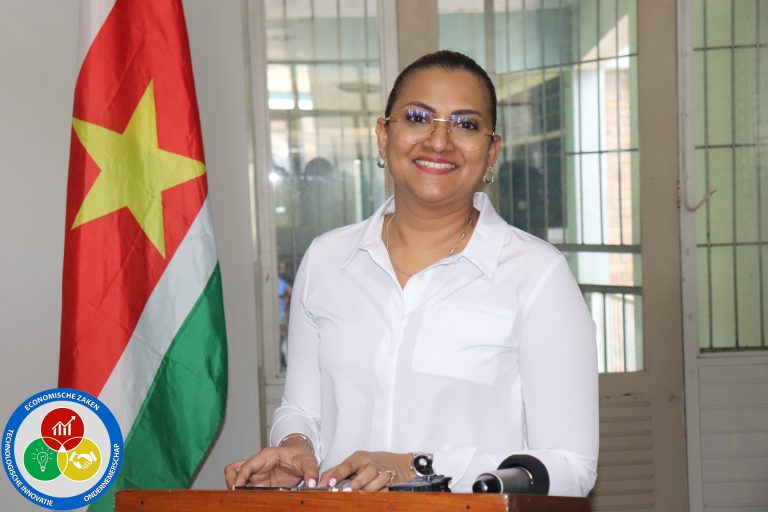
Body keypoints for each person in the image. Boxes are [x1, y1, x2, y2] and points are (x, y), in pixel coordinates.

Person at [225, 50, 598, 496]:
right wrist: (296, 448)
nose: (439, 141)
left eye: (466, 124)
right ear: (383, 136)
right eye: (418, 118)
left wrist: (417, 467)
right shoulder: (328, 259)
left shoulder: (537, 275)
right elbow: (302, 409)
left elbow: (571, 467)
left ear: (491, 151)